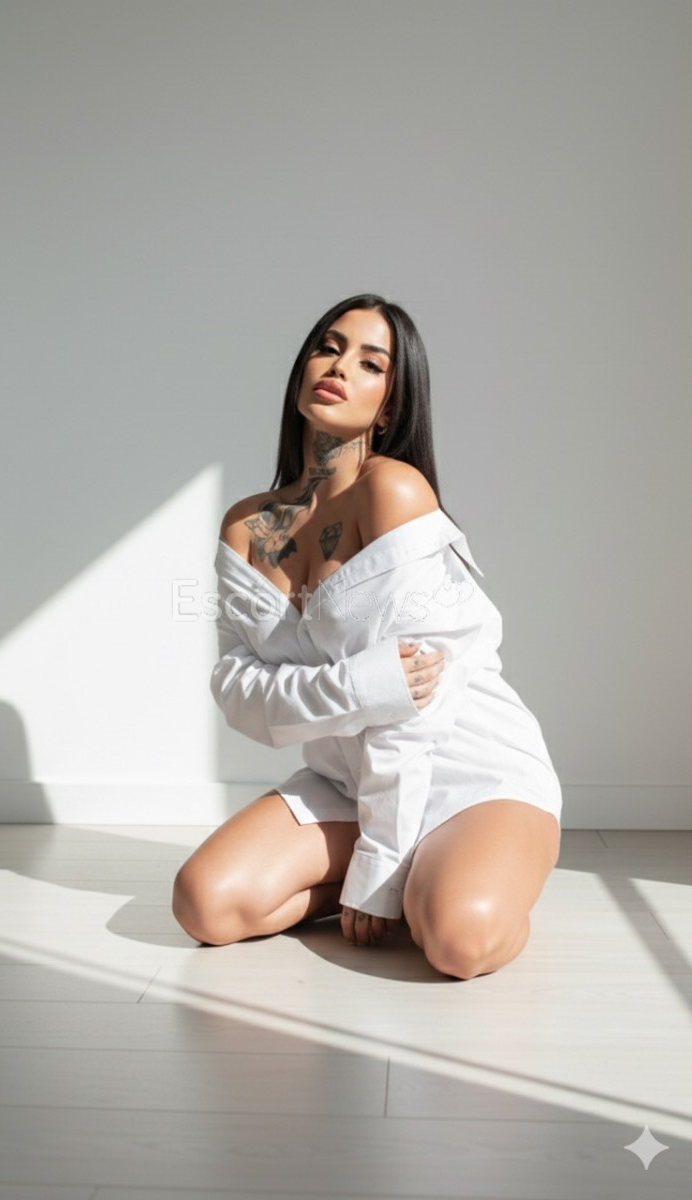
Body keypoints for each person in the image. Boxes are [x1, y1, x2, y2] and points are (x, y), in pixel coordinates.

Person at [172, 294, 562, 979]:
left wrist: (380, 865)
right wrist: (363, 686)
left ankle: (448, 878)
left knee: (458, 942)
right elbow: (236, 691)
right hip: (348, 785)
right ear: (302, 369)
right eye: (329, 348)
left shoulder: (394, 493)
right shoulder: (246, 527)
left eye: (370, 363)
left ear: (388, 408)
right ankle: (419, 883)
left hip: (470, 772)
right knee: (204, 904)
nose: (339, 366)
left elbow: (418, 706)